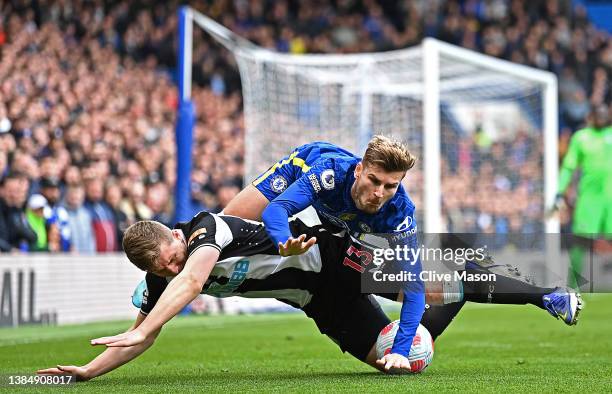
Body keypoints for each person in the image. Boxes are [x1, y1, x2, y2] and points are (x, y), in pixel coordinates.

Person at [37, 211, 582, 381]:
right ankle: (451, 295)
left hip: (334, 259)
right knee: (411, 359)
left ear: (176, 238)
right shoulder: (160, 276)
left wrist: (146, 324)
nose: (171, 268)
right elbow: (139, 335)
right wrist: (89, 371)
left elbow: (193, 281)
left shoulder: (206, 231)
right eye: (161, 270)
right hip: (317, 299)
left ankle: (545, 294)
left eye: (171, 258)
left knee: (431, 270)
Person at [223, 136, 424, 368]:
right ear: (359, 170)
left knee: (423, 286)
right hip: (298, 172)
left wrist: (400, 351)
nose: (379, 193)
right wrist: (285, 240)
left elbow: (414, 284)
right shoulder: (330, 174)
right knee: (227, 225)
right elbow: (277, 208)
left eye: (390, 186)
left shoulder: (399, 212)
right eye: (374, 180)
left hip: (340, 221)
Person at [552, 105, 612, 288]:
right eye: (598, 114)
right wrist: (560, 191)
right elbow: (569, 166)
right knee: (581, 241)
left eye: (604, 114)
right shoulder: (581, 138)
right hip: (589, 199)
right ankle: (573, 287)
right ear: (590, 116)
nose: (602, 117)